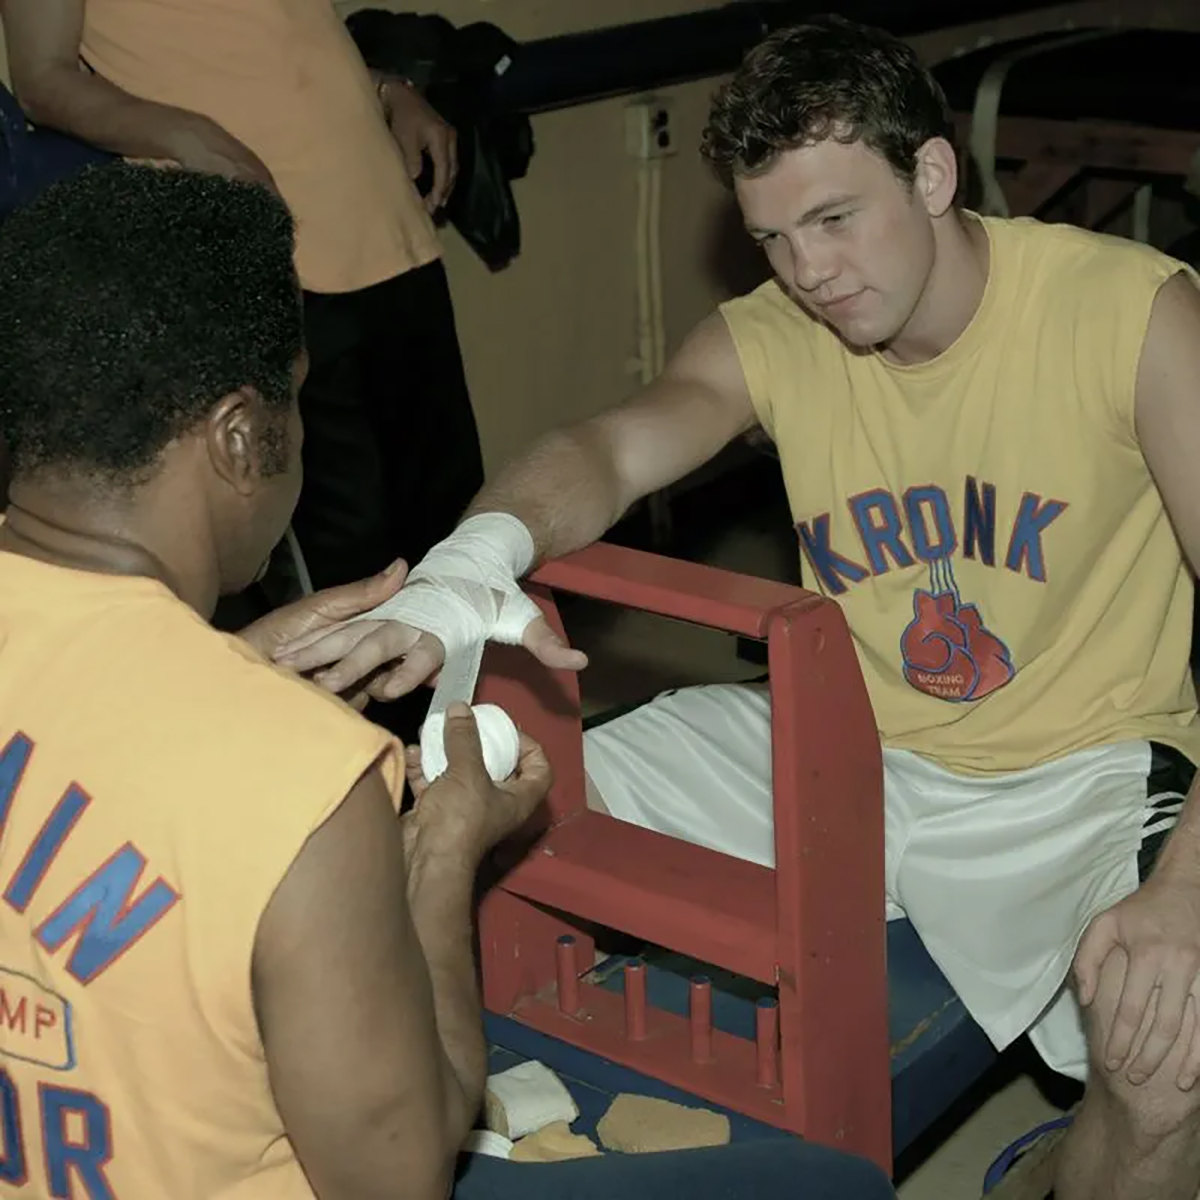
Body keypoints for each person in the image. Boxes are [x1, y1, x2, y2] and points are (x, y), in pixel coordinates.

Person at [276, 16, 1200, 1200]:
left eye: (834, 220)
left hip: (1071, 774)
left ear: (930, 171)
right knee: (472, 787)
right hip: (839, 742)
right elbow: (606, 451)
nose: (810, 272)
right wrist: (475, 560)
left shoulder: (1129, 312)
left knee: (1164, 1048)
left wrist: (1184, 891)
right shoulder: (779, 332)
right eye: (774, 237)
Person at [0, 160, 900, 1200]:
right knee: (830, 1186)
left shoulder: (224, 720)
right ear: (243, 437)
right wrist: (438, 851)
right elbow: (398, 1170)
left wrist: (224, 670)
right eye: (295, 403)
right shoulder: (301, 781)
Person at [0, 0, 485, 602]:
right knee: (349, 582)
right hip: (270, 263)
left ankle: (461, 699)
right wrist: (186, 133)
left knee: (455, 544)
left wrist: (384, 89)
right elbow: (41, 81)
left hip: (392, 238)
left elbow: (276, 40)